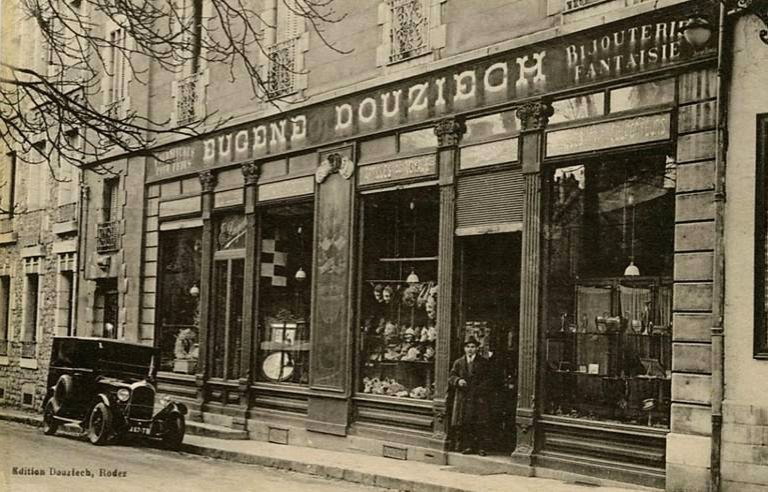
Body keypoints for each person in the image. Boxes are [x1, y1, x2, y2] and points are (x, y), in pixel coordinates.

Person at [448, 337, 491, 455]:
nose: (470, 349)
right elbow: (451, 376)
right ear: (464, 348)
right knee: (466, 422)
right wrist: (458, 380)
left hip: (479, 397)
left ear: (477, 348)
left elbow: (489, 379)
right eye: (467, 347)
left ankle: (481, 447)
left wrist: (479, 389)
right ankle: (468, 446)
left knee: (480, 422)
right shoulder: (459, 362)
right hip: (464, 396)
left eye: (472, 347)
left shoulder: (484, 362)